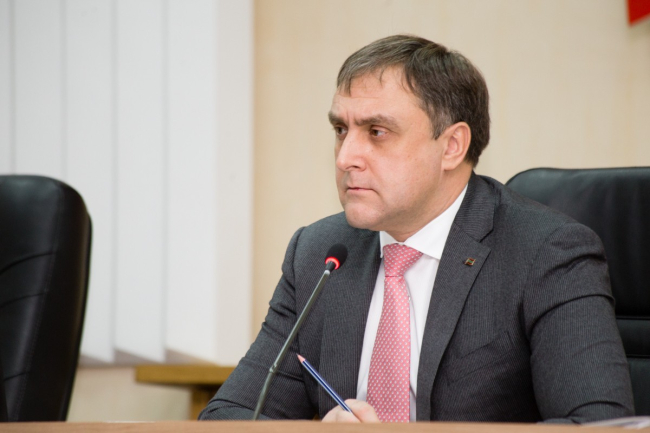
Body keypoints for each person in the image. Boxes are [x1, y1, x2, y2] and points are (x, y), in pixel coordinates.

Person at [199, 35, 634, 423]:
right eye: (341, 130)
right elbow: (229, 416)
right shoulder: (318, 254)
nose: (345, 157)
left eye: (376, 131)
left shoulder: (546, 253)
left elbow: (598, 426)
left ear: (451, 146)